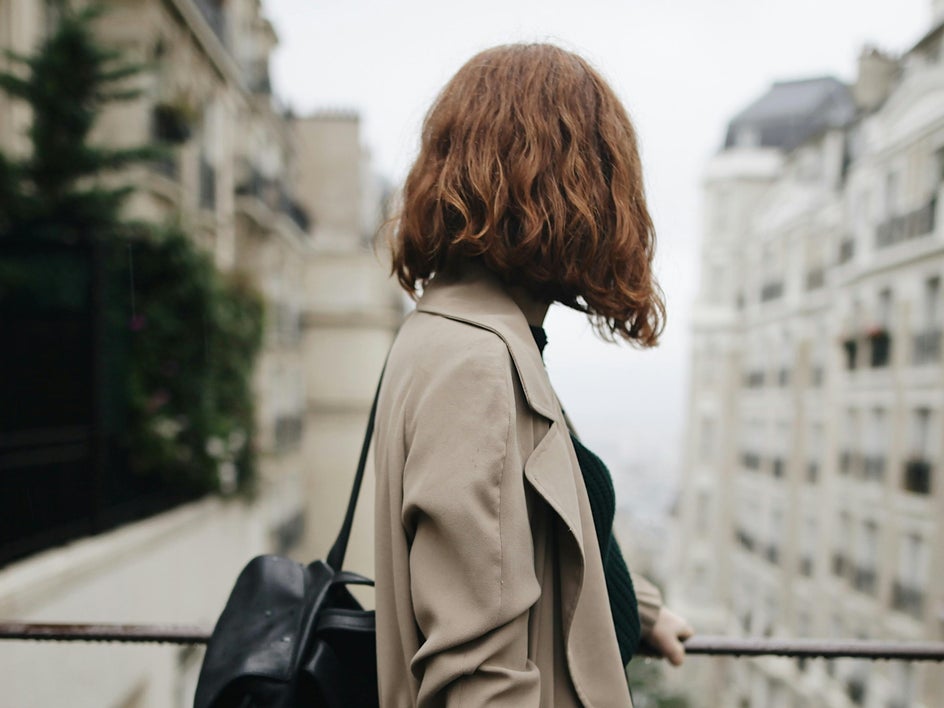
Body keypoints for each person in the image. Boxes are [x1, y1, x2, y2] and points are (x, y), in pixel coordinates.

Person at [373, 43, 693, 708]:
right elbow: (480, 675)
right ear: (574, 188)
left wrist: (643, 613)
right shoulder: (478, 363)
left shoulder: (460, 328)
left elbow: (528, 532)